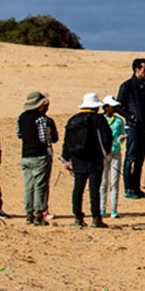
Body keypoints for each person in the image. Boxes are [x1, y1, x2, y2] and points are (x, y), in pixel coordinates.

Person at [60, 93, 113, 228]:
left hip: (77, 158)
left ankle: (78, 217)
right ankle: (96, 218)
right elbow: (106, 138)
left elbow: (67, 141)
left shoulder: (73, 119)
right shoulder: (99, 119)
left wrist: (66, 157)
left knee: (78, 188)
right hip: (95, 158)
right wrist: (106, 154)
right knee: (95, 189)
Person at [17, 91, 57, 225]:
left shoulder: (21, 117)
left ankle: (29, 214)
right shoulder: (40, 118)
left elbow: (19, 134)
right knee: (40, 186)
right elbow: (43, 138)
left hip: (25, 155)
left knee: (28, 186)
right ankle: (38, 214)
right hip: (39, 155)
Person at [116, 58, 145, 199]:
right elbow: (118, 106)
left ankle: (137, 188)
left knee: (140, 159)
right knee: (130, 157)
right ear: (137, 69)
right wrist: (131, 117)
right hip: (132, 127)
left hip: (144, 127)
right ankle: (128, 188)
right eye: (144, 69)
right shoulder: (127, 86)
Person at [100, 96, 126, 219]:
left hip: (116, 153)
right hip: (104, 154)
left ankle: (114, 209)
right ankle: (102, 208)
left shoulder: (119, 121)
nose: (114, 108)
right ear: (106, 107)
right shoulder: (100, 120)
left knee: (114, 182)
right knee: (103, 182)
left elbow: (122, 136)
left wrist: (121, 140)